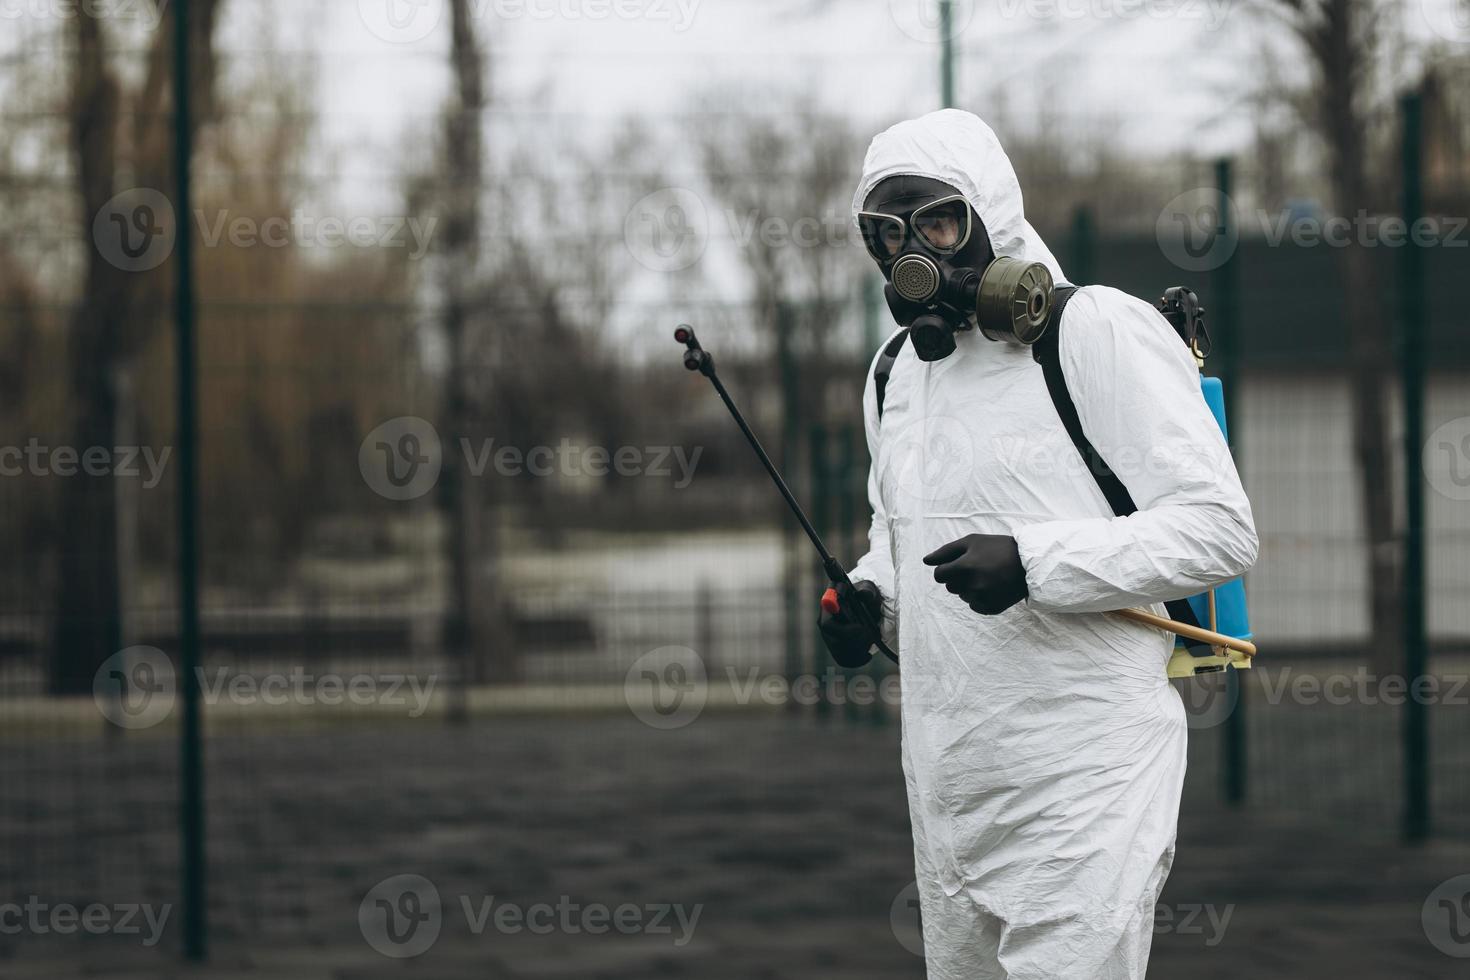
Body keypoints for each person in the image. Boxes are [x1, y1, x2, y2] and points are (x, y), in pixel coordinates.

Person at [818, 109, 1259, 979]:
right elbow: (896, 534)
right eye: (887, 233)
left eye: (938, 223)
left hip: (1087, 769)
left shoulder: (1092, 331)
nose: (915, 256)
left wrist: (1033, 565)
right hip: (947, 783)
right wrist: (873, 600)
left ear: (993, 219)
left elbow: (1219, 529)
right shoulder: (895, 375)